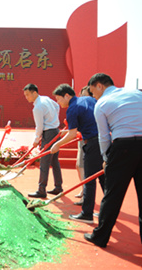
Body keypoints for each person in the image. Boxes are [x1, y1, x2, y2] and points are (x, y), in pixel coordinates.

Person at [84, 73, 142, 248]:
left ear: (99, 85)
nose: (93, 96)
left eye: (93, 92)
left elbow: (104, 136)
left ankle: (100, 237)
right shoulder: (137, 94)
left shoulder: (101, 104)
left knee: (112, 196)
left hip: (122, 148)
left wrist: (106, 158)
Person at [51, 83, 105, 224]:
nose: (58, 102)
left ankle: (87, 214)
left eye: (59, 99)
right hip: (103, 140)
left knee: (89, 179)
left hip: (92, 144)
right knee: (103, 178)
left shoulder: (72, 108)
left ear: (67, 96)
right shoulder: (89, 99)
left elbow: (72, 134)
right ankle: (107, 211)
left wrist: (57, 145)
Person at [23, 83, 62, 198]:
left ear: (34, 93)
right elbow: (57, 106)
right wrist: (54, 119)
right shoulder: (46, 98)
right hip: (55, 131)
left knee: (44, 162)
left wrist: (36, 140)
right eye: (25, 95)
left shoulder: (38, 107)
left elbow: (39, 126)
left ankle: (41, 190)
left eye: (28, 95)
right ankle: (58, 186)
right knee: (54, 161)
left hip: (48, 133)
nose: (27, 97)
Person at [74, 86, 93, 205]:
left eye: (85, 95)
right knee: (79, 166)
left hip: (88, 140)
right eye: (81, 95)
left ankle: (86, 195)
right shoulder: (82, 108)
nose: (82, 98)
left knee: (82, 166)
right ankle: (83, 190)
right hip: (81, 138)